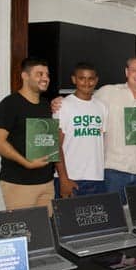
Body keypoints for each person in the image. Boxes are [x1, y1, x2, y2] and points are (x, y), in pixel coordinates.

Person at [93, 56, 136, 204]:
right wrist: (61, 101)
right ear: (126, 72)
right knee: (114, 219)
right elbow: (84, 102)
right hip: (113, 170)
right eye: (134, 70)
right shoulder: (108, 92)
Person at [0, 58, 56, 211]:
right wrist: (27, 163)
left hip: (46, 182)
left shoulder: (47, 105)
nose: (45, 78)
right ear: (25, 76)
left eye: (47, 74)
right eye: (39, 74)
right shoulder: (9, 104)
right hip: (19, 183)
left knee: (46, 231)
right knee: (24, 230)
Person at [54, 62, 108, 198]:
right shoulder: (63, 106)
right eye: (82, 78)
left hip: (97, 178)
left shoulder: (102, 107)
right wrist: (63, 179)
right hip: (71, 178)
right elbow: (55, 145)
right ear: (74, 79)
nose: (87, 82)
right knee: (67, 219)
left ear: (96, 80)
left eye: (91, 78)